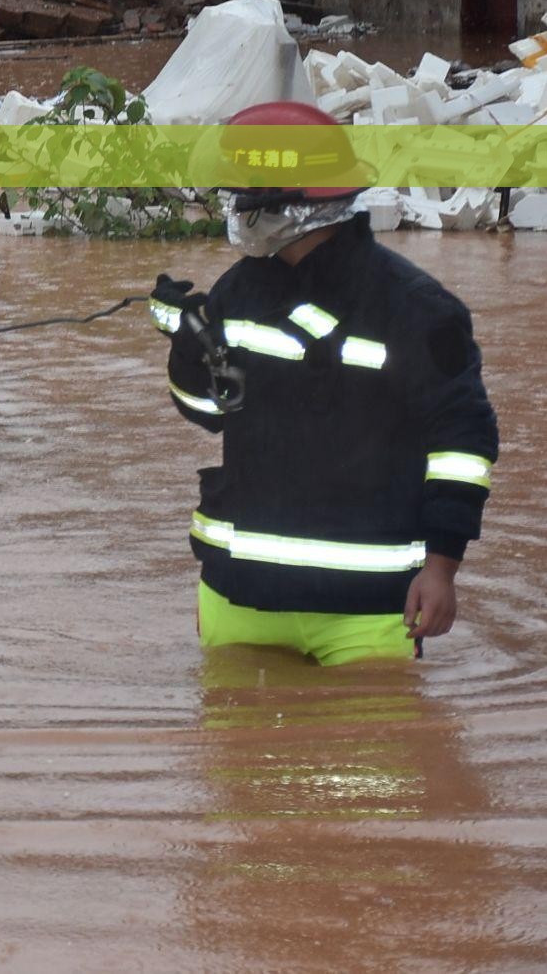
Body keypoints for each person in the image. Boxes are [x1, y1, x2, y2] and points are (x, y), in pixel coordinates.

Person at [151, 101, 499, 664]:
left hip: (367, 611)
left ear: (291, 203)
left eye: (246, 196)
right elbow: (209, 412)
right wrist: (188, 348)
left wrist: (442, 568)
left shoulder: (419, 309)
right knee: (231, 753)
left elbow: (463, 445)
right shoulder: (235, 292)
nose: (237, 210)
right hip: (240, 597)